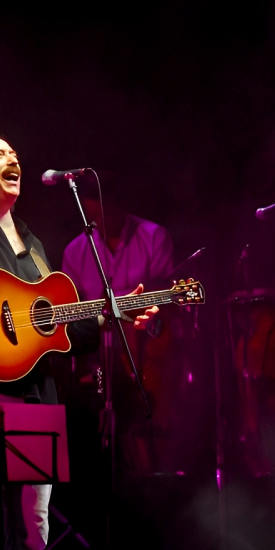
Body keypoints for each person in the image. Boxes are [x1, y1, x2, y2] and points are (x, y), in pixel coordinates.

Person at [0, 12, 159, 550]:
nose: (13, 158)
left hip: (35, 395)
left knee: (35, 536)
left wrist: (111, 313)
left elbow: (56, 328)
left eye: (15, 153)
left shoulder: (37, 248)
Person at [60, 179, 176, 478]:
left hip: (145, 352)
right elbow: (72, 316)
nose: (99, 223)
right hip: (95, 357)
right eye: (93, 219)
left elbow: (165, 303)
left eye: (104, 215)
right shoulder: (74, 251)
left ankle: (157, 471)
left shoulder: (154, 236)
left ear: (119, 206)